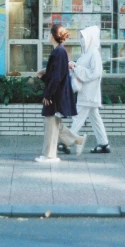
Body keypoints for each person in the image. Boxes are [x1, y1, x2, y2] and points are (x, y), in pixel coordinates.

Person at [35, 24, 86, 163]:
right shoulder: (60, 51)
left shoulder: (58, 52)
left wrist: (48, 95)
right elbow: (57, 75)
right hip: (57, 93)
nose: (47, 36)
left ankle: (50, 155)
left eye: (48, 33)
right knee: (54, 123)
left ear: (52, 35)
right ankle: (77, 140)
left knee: (50, 124)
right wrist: (43, 76)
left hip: (55, 94)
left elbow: (56, 77)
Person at [60, 25, 111, 154]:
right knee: (95, 118)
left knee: (78, 117)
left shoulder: (93, 53)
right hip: (88, 93)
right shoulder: (87, 53)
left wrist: (76, 68)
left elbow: (96, 72)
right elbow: (84, 70)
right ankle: (104, 143)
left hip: (88, 93)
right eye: (81, 37)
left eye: (83, 37)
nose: (81, 40)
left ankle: (66, 142)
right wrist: (75, 66)